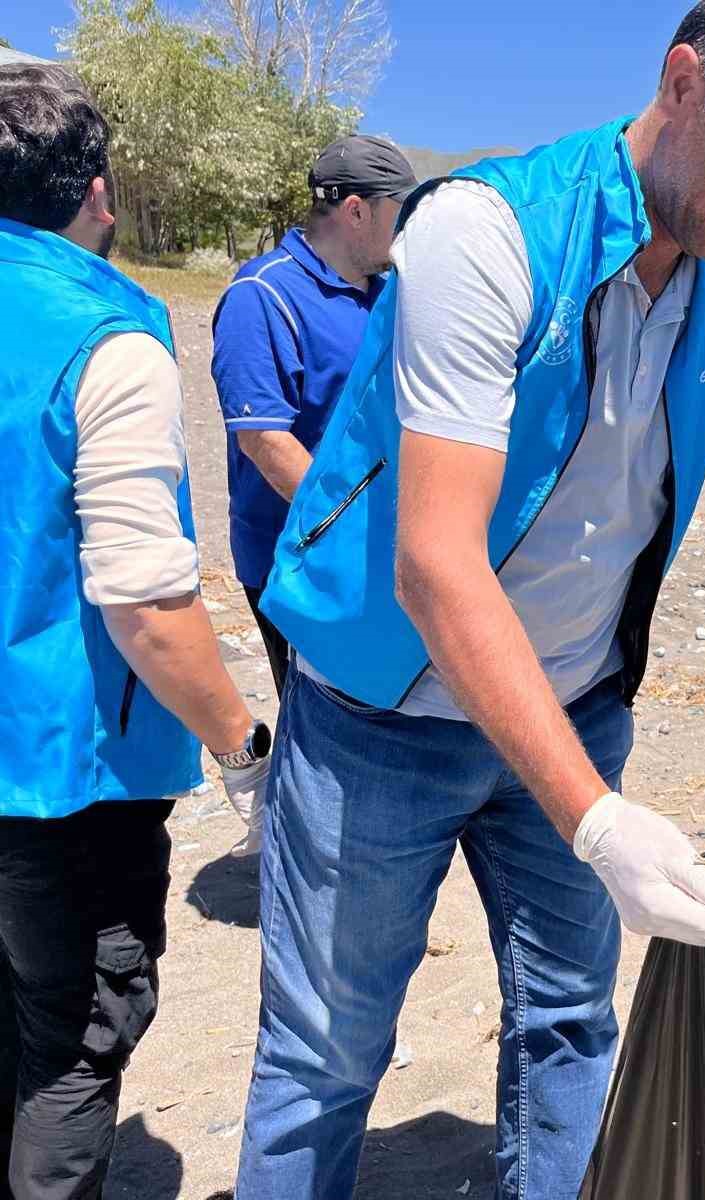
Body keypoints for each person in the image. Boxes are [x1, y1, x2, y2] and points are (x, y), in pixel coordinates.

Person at [232, 5, 705, 1197]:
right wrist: (599, 823)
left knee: (571, 1025)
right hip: (379, 722)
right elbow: (436, 559)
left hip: (574, 705)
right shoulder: (487, 236)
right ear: (681, 84)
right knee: (325, 1053)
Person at [0, 65, 270, 1198]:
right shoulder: (108, 339)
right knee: (75, 1033)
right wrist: (244, 743)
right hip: (61, 772)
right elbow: (147, 603)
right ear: (99, 194)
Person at [211, 136, 416, 696]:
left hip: (376, 554)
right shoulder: (262, 295)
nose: (407, 232)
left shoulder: (386, 292)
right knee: (318, 729)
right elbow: (263, 440)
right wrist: (351, 528)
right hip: (298, 560)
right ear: (357, 211)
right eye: (401, 213)